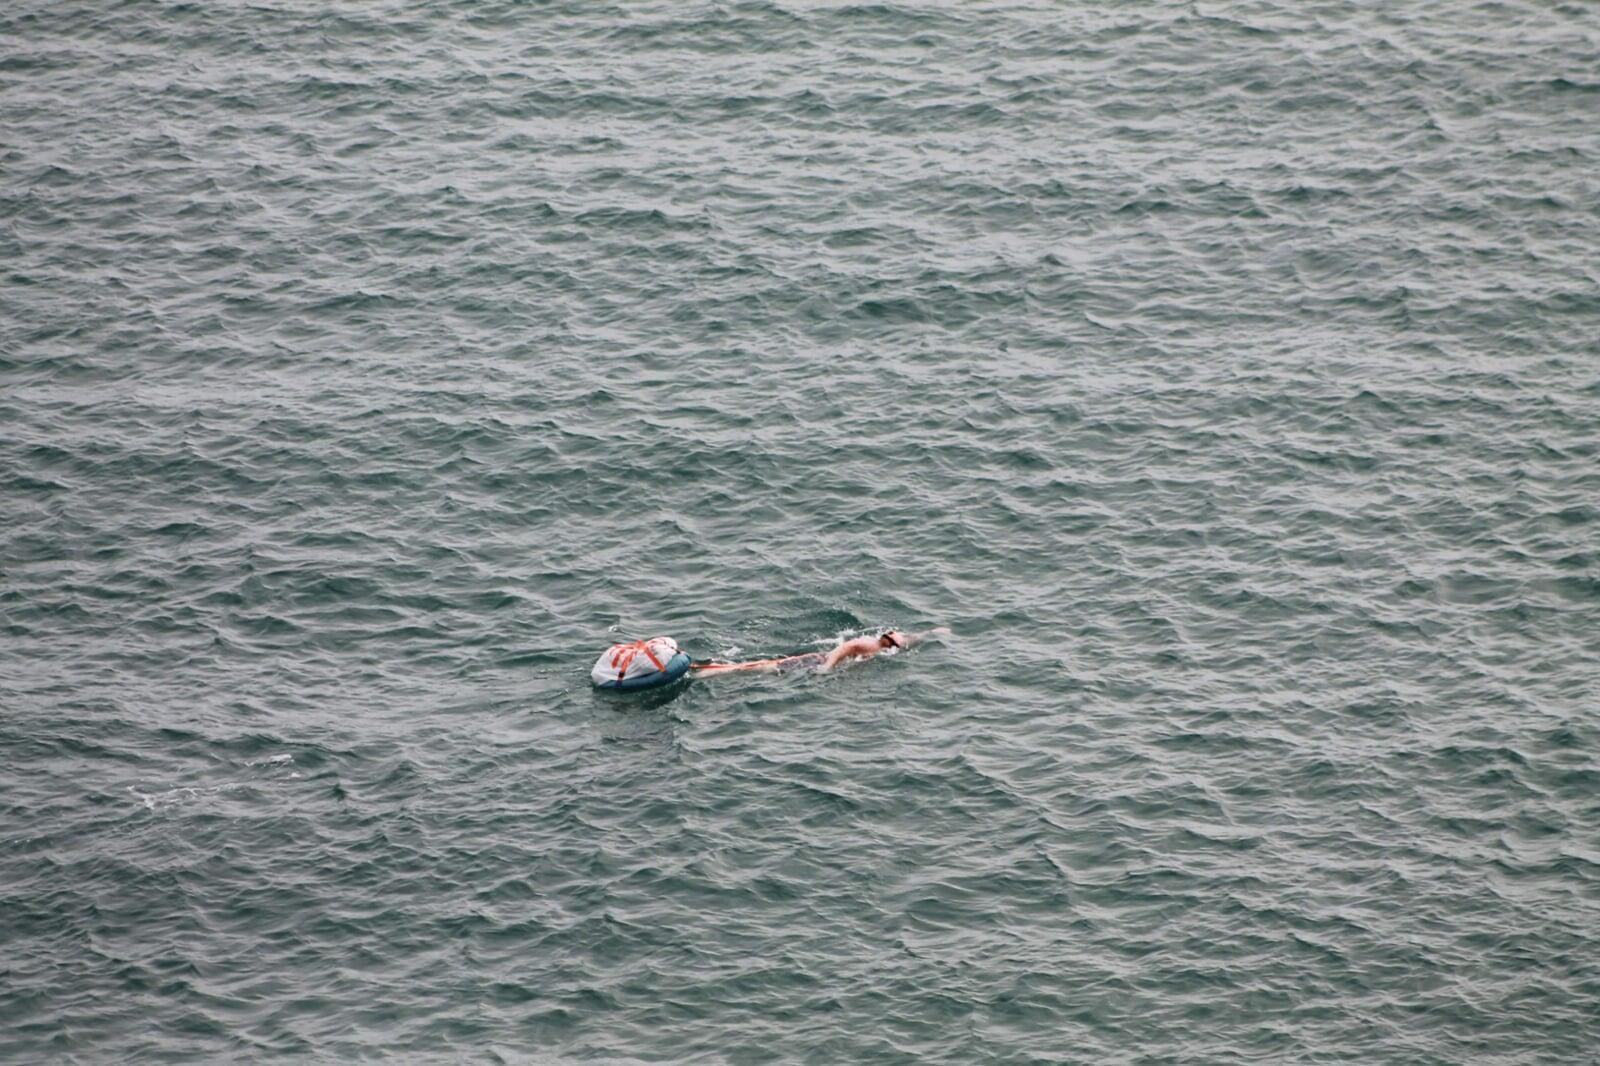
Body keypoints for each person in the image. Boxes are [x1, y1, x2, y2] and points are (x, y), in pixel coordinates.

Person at [690, 628, 949, 677]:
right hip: (816, 662)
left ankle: (712, 667)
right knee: (763, 667)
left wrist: (934, 632)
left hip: (815, 659)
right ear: (892, 645)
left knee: (764, 664)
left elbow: (914, 637)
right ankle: (712, 670)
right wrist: (828, 667)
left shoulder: (875, 642)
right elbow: (846, 648)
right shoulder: (872, 646)